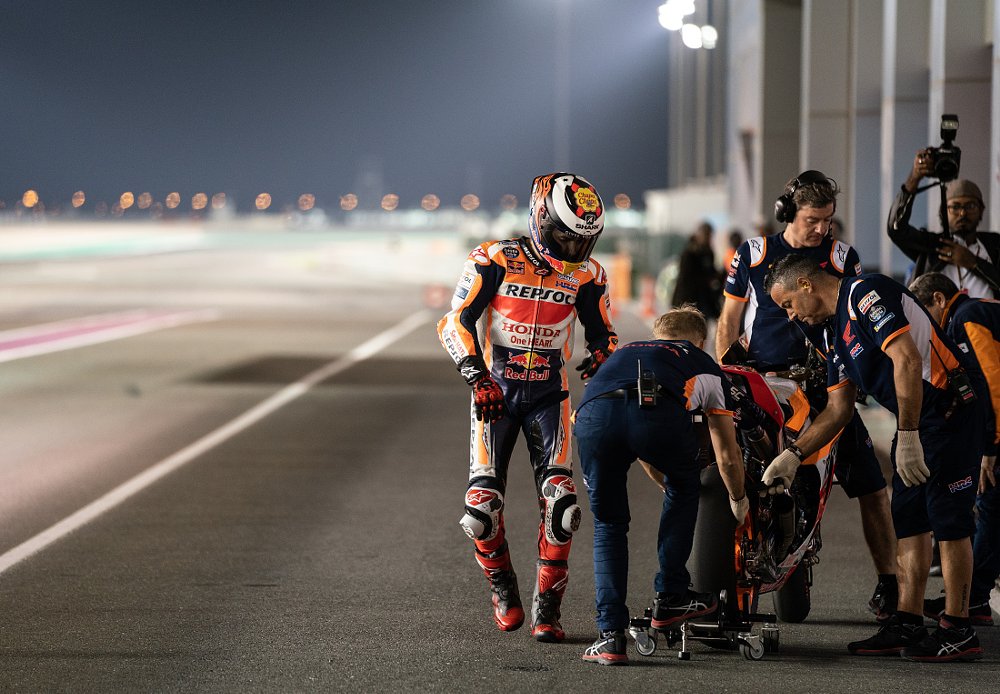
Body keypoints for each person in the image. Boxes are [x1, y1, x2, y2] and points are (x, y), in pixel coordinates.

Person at [763, 254, 986, 662]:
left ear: (807, 285)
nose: (791, 316)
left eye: (789, 304)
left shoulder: (865, 294)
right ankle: (908, 620)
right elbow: (838, 410)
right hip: (917, 423)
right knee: (909, 519)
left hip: (950, 412)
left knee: (949, 520)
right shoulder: (832, 336)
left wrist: (908, 435)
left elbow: (907, 357)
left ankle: (959, 628)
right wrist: (794, 455)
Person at [436, 172, 618, 642]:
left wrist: (604, 358)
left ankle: (548, 609)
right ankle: (502, 587)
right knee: (480, 510)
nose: (574, 250)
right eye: (564, 237)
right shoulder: (493, 258)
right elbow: (454, 321)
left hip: (549, 396)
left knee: (563, 508)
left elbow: (603, 333)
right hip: (494, 393)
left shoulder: (588, 275)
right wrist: (477, 376)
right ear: (540, 218)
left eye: (584, 241)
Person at [716, 170, 899, 620]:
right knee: (718, 461)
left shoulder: (841, 258)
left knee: (873, 486)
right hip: (760, 382)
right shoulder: (754, 254)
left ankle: (890, 582)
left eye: (828, 219)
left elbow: (855, 318)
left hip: (825, 385)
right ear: (788, 214)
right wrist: (726, 378)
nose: (822, 228)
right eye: (814, 219)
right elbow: (728, 323)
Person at [574, 306, 747, 666]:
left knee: (608, 525)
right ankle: (670, 595)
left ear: (656, 336)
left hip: (593, 415)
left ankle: (610, 637)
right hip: (656, 414)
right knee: (686, 488)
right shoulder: (703, 362)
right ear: (699, 340)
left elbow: (630, 435)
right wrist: (738, 498)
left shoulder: (625, 352)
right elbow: (727, 454)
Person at [908, 272, 1000, 627]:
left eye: (923, 310)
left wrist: (990, 445)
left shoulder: (966, 317)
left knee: (991, 500)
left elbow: (992, 382)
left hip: (995, 426)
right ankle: (973, 595)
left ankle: (973, 598)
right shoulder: (973, 311)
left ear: (939, 300)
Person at [888, 149, 1000, 298]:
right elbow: (896, 230)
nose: (962, 213)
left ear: (981, 210)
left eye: (970, 206)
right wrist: (914, 178)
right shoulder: (931, 246)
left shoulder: (994, 245)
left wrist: (974, 263)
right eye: (955, 207)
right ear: (943, 212)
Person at [671, 221, 721, 319]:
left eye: (709, 235)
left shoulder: (708, 252)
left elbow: (711, 271)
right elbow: (686, 277)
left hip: (703, 300)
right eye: (706, 234)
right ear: (699, 234)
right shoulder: (689, 253)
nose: (708, 238)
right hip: (687, 299)